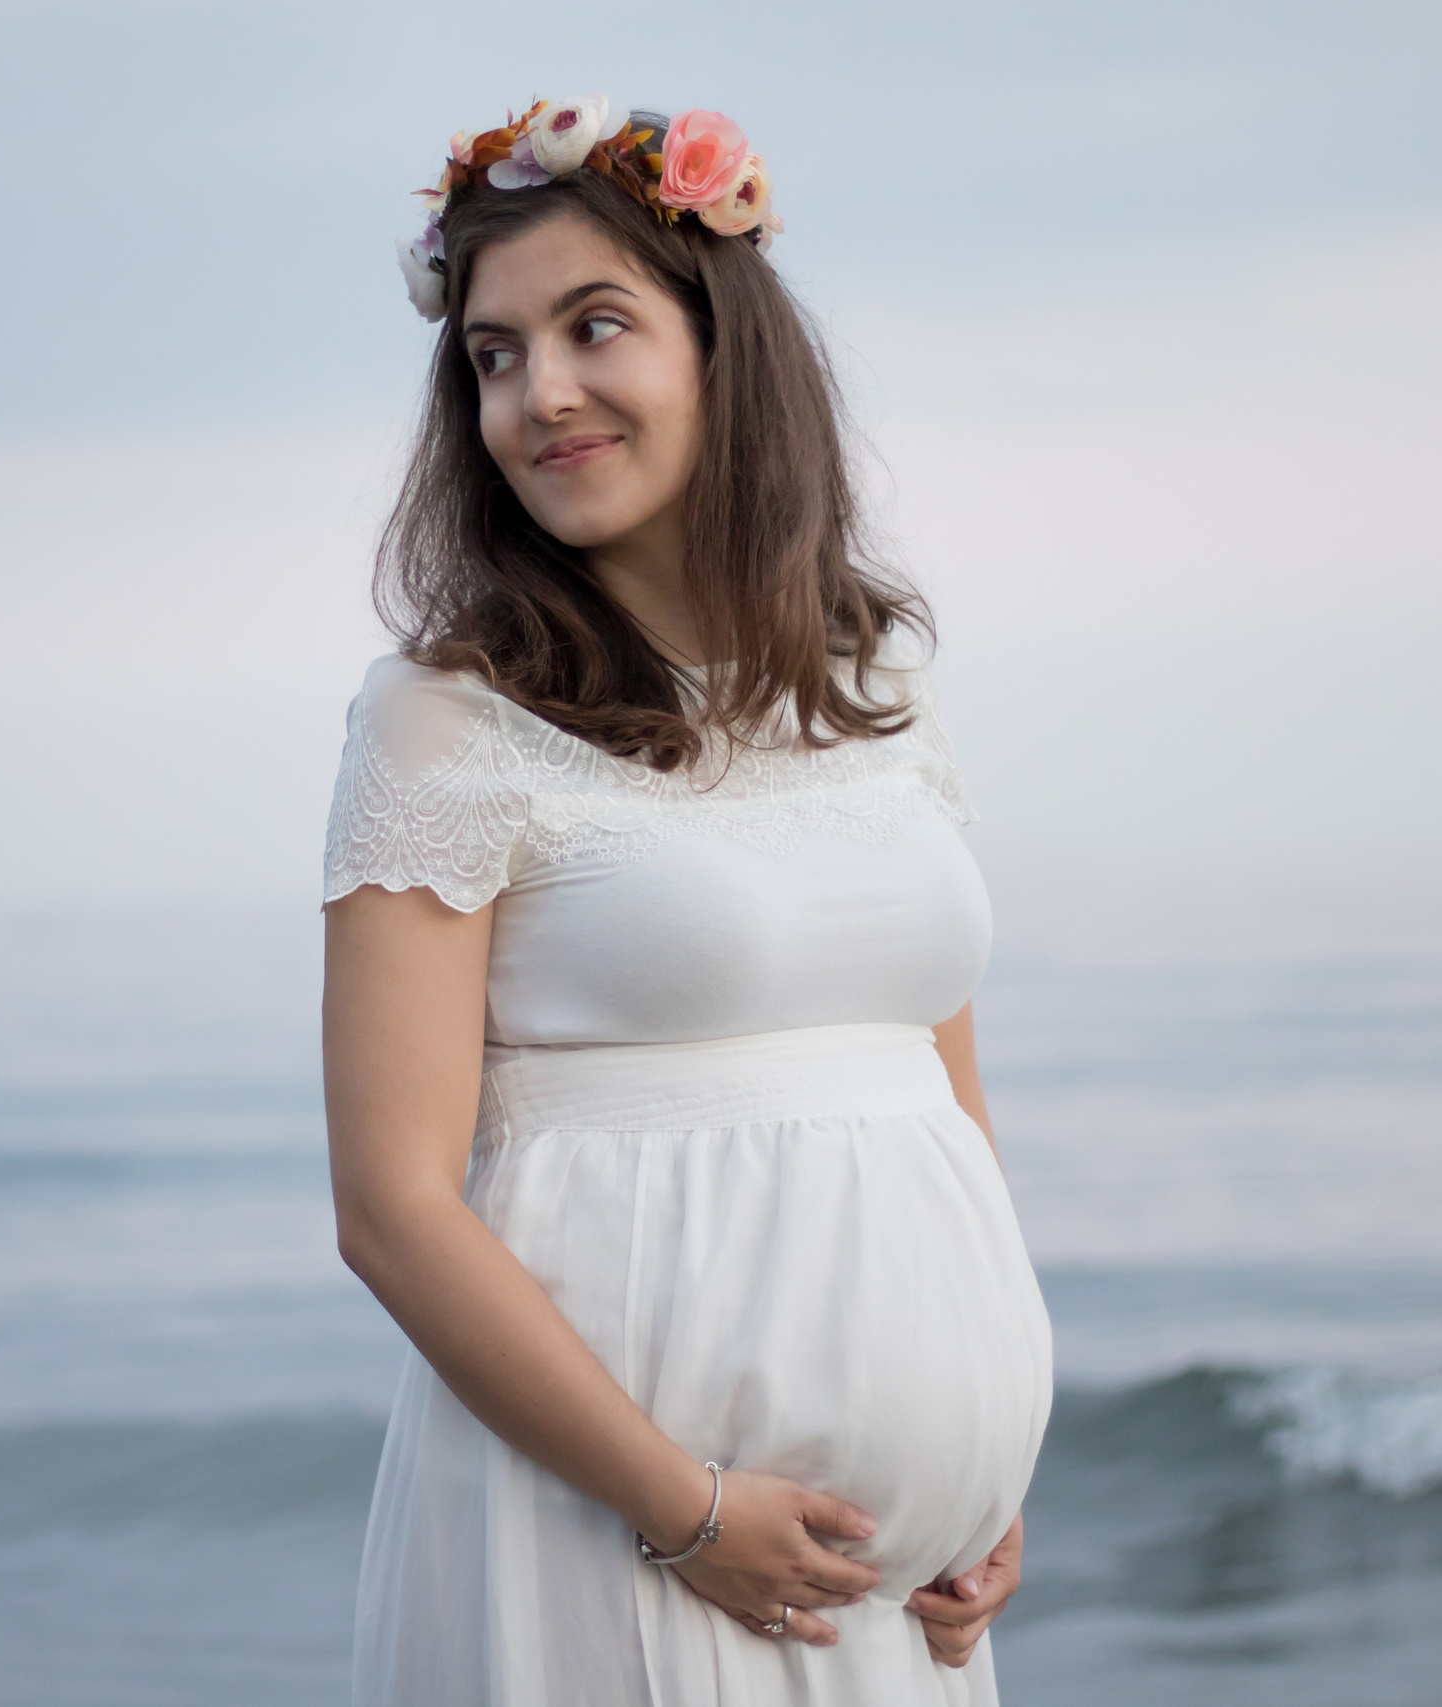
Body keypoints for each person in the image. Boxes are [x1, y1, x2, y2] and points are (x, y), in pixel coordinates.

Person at [322, 99, 1053, 1706]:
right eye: (495, 354)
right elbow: (392, 1209)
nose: (539, 393)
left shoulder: (877, 680)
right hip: (626, 1533)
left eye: (595, 327)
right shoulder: (443, 723)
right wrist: (689, 1512)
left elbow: (941, 1094)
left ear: (731, 353)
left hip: (894, 1585)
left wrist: (992, 1466)